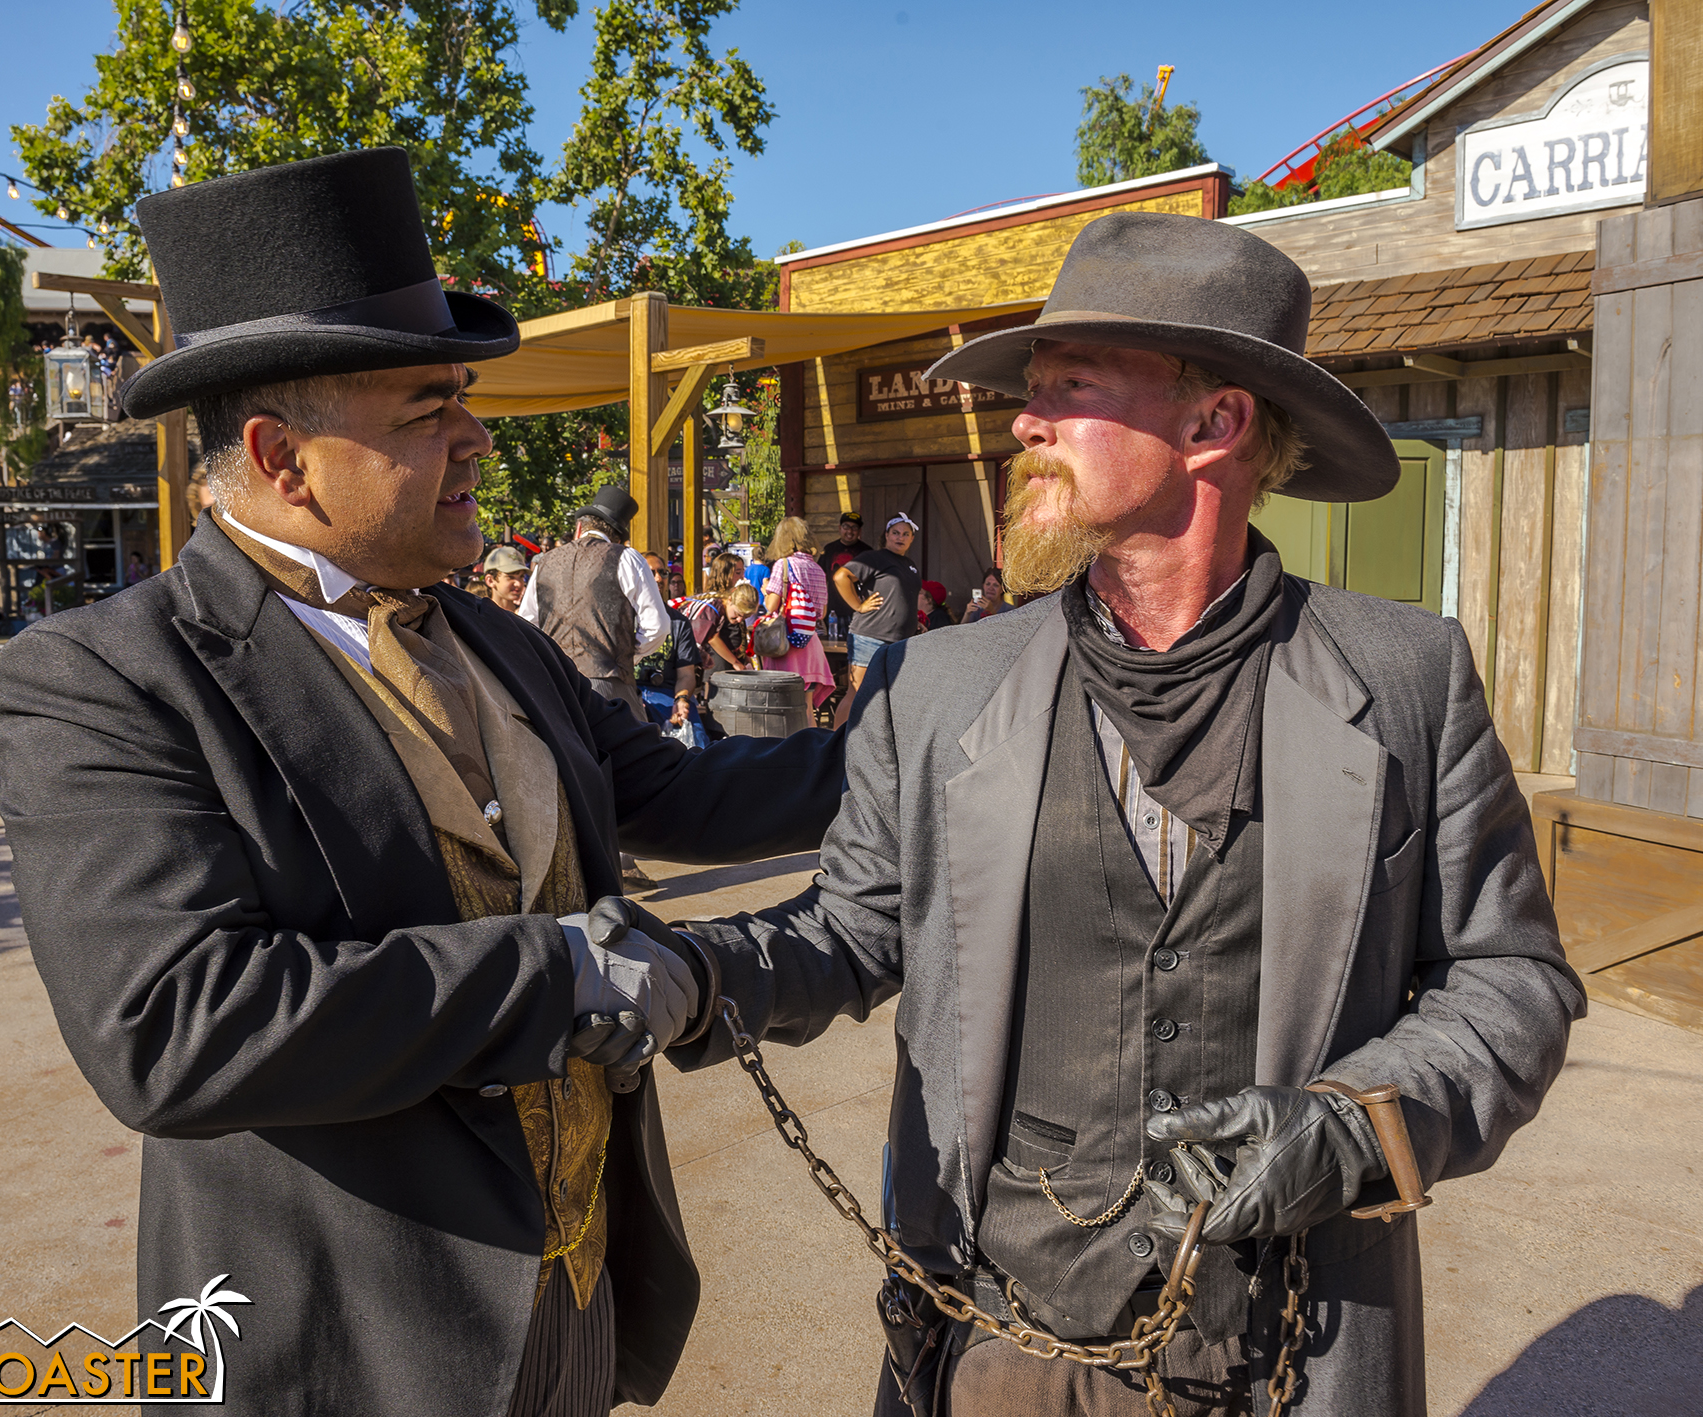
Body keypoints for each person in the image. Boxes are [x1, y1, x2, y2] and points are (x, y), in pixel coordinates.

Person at [630, 213, 1583, 1417]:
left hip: (1287, 1352)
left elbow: (1512, 979)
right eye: (1031, 394)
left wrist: (1351, 1129)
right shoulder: (940, 685)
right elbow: (858, 927)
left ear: (1212, 425)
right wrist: (697, 971)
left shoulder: (1406, 678)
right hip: (999, 1347)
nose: (1024, 424)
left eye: (1066, 391)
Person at [0, 149, 845, 1417]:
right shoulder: (107, 678)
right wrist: (554, 970)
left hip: (572, 1299)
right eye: (426, 411)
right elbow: (173, 1027)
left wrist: (921, 739)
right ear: (283, 457)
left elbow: (674, 795)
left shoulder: (494, 639)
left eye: (465, 399)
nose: (477, 440)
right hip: (342, 1349)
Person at [518, 486, 668, 724]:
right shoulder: (626, 557)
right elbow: (657, 627)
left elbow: (526, 623)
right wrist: (624, 656)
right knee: (629, 754)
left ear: (580, 527)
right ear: (619, 536)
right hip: (608, 683)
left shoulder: (545, 562)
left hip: (556, 681)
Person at [831, 513, 921, 728]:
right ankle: (833, 744)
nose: (900, 537)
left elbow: (903, 596)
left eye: (906, 534)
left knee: (889, 696)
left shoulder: (909, 564)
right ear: (887, 535)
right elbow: (840, 577)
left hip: (901, 640)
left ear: (911, 539)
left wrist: (914, 620)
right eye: (896, 533)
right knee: (858, 692)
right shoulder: (874, 558)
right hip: (870, 636)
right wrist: (858, 605)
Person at [757, 516, 834, 726]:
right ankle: (811, 752)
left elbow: (771, 606)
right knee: (807, 708)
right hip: (810, 643)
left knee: (780, 706)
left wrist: (765, 591)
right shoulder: (818, 570)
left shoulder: (783, 565)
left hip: (785, 643)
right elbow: (822, 612)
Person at [636, 552, 709, 748]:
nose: (658, 578)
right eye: (651, 572)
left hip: (669, 691)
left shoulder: (678, 622)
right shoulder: (624, 618)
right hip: (631, 690)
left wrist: (682, 699)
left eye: (663, 572)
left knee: (697, 742)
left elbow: (686, 674)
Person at [817, 512, 873, 636]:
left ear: (859, 531)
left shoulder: (867, 551)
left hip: (858, 610)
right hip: (833, 610)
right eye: (846, 527)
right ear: (839, 528)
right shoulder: (829, 549)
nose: (850, 531)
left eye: (854, 528)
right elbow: (820, 578)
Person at [482, 542, 532, 615]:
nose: (518, 583)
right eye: (510, 577)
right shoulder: (480, 617)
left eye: (521, 576)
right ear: (490, 581)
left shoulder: (527, 616)